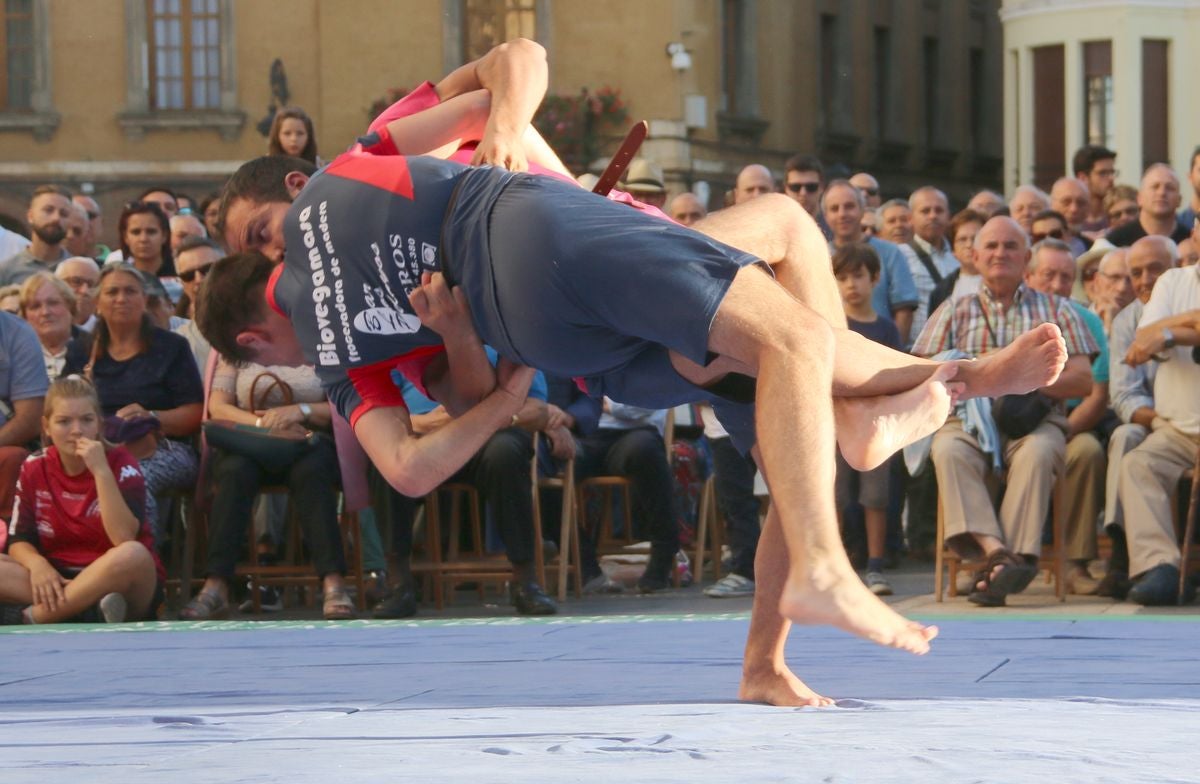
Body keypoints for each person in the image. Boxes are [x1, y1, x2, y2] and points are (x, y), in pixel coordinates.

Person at [199, 39, 1069, 705]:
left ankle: (768, 655)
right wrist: (480, 362)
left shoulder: (370, 181)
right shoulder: (356, 284)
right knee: (793, 285)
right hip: (566, 254)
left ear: (293, 185)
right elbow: (426, 442)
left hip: (583, 304)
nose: (273, 251)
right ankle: (933, 398)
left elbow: (520, 58)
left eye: (260, 231)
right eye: (254, 250)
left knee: (791, 394)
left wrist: (500, 121)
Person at [914, 216, 1095, 608]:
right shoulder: (952, 310)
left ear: (1027, 257)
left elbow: (1083, 380)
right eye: (991, 246)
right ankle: (1002, 557)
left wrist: (1020, 377)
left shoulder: (1058, 309)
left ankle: (996, 567)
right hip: (967, 420)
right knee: (947, 449)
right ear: (974, 256)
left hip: (1033, 420)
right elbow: (920, 374)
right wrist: (988, 374)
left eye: (1011, 246)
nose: (1000, 253)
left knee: (1040, 450)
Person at [178, 356, 354, 620]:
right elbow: (218, 406)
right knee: (234, 471)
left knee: (312, 471)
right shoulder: (237, 341)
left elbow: (343, 403)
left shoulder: (320, 334)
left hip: (307, 439)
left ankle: (333, 580)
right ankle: (216, 584)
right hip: (248, 439)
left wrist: (300, 411)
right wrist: (264, 426)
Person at [0, 376, 162, 624]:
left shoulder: (121, 463)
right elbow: (19, 540)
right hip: (57, 576)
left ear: (99, 424)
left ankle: (37, 617)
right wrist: (37, 565)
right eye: (64, 421)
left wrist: (100, 471)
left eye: (86, 420)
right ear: (46, 426)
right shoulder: (34, 465)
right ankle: (87, 610)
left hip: (115, 578)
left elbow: (123, 537)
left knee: (133, 555)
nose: (77, 430)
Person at [65, 264, 202, 539]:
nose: (121, 298)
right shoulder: (81, 350)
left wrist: (151, 415)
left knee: (130, 475)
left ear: (144, 300)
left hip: (163, 447)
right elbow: (61, 404)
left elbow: (195, 413)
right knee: (42, 469)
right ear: (97, 303)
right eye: (112, 292)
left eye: (130, 291)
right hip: (96, 447)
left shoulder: (171, 347)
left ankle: (143, 565)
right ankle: (74, 561)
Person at [832, 243, 902, 596]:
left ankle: (875, 565)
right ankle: (839, 566)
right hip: (835, 424)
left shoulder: (887, 330)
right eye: (841, 277)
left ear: (875, 278)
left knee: (875, 496)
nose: (850, 285)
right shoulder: (829, 326)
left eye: (858, 276)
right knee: (837, 495)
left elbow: (896, 374)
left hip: (876, 424)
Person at [18, 272, 91, 381]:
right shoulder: (13, 357)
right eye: (35, 306)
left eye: (53, 303)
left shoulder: (95, 349)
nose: (45, 312)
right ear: (25, 316)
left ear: (70, 306)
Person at [0, 185, 73, 286]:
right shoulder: (6, 271)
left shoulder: (77, 270)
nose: (56, 218)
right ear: (30, 216)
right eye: (48, 210)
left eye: (64, 214)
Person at [1106, 163, 1191, 247]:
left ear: (1179, 200)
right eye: (1155, 187)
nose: (1161, 193)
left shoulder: (1191, 240)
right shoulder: (1114, 243)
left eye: (1169, 188)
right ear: (1139, 198)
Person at [116, 202, 176, 277]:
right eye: (136, 232)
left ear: (164, 236)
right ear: (125, 237)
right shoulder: (116, 278)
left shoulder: (182, 273)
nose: (143, 239)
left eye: (151, 232)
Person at [55, 256, 101, 332]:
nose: (84, 291)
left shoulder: (110, 333)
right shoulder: (39, 331)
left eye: (91, 285)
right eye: (76, 282)